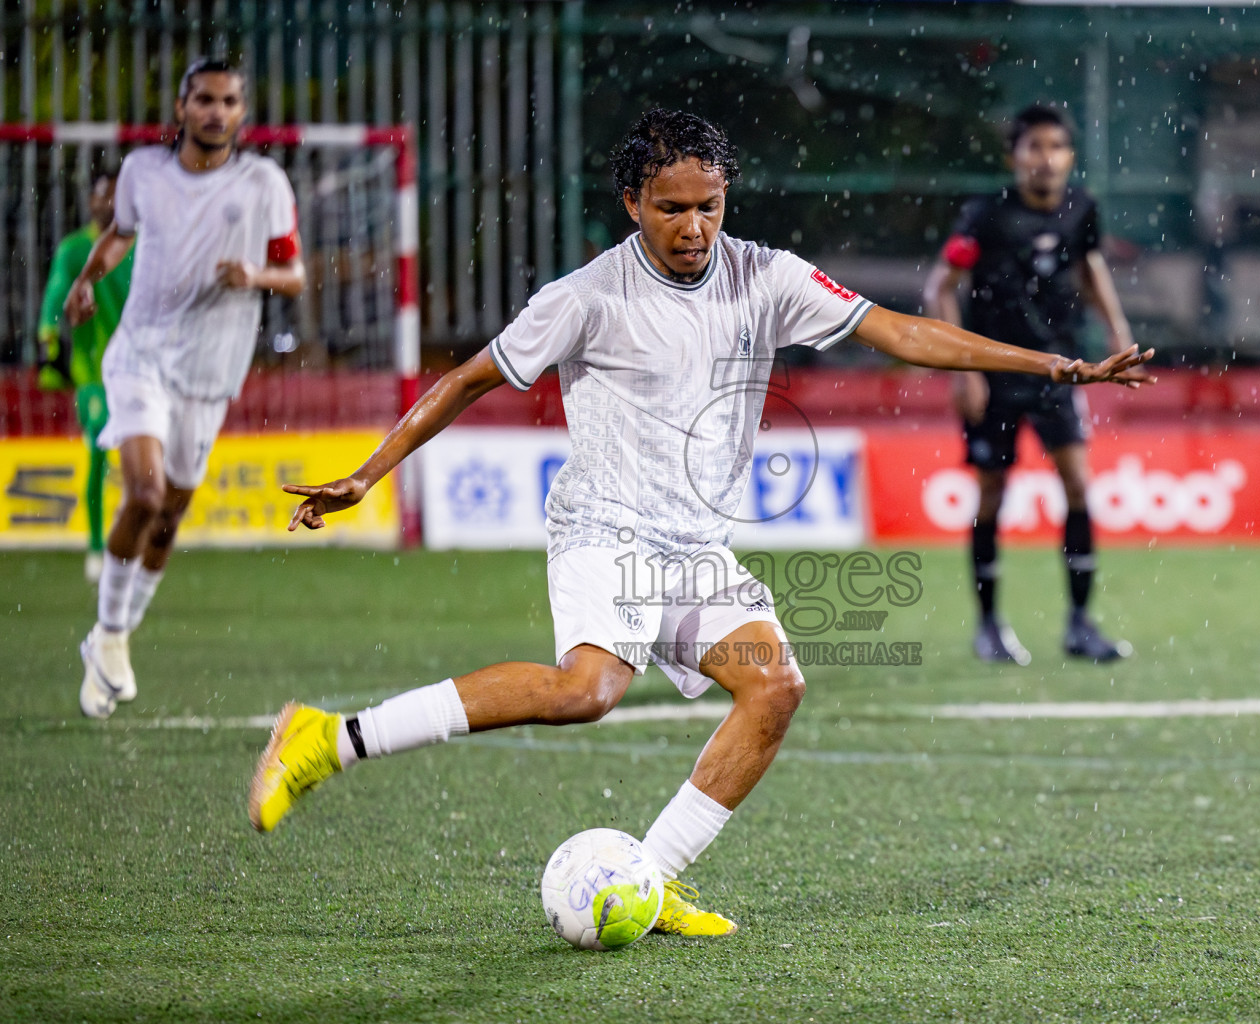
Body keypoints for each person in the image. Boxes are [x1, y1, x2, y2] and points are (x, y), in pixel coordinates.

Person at [249, 109, 1152, 937]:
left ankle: (653, 876)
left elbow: (904, 332)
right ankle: (331, 738)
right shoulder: (586, 295)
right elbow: (466, 379)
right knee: (587, 692)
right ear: (633, 202)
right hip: (604, 527)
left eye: (709, 207)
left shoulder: (768, 276)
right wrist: (370, 473)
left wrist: (1052, 365)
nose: (693, 229)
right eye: (671, 208)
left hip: (693, 544)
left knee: (776, 687)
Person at [67, 58, 305, 719]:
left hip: (210, 374)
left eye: (228, 101)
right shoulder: (144, 173)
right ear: (181, 108)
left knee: (169, 515)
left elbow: (296, 274)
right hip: (140, 356)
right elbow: (119, 236)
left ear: (241, 113)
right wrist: (87, 280)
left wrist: (254, 274)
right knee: (143, 492)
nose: (215, 111)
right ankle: (111, 635)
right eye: (203, 99)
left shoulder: (264, 183)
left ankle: (111, 637)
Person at [923, 103, 1138, 667]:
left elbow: (1090, 266)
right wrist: (964, 368)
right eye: (1034, 147)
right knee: (992, 491)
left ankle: (1080, 624)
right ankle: (989, 624)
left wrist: (1118, 332)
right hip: (995, 375)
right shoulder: (985, 216)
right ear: (1014, 157)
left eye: (1056, 148)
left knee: (1078, 485)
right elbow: (940, 287)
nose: (1046, 159)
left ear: (1069, 156)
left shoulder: (1081, 208)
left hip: (1059, 368)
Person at [37, 172, 135, 583]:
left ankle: (130, 539)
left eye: (116, 195)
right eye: (101, 195)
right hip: (93, 371)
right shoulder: (76, 249)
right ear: (91, 202)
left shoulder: (140, 247)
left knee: (141, 462)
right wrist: (50, 347)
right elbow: (53, 299)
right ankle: (97, 545)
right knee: (98, 447)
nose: (108, 202)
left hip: (138, 369)